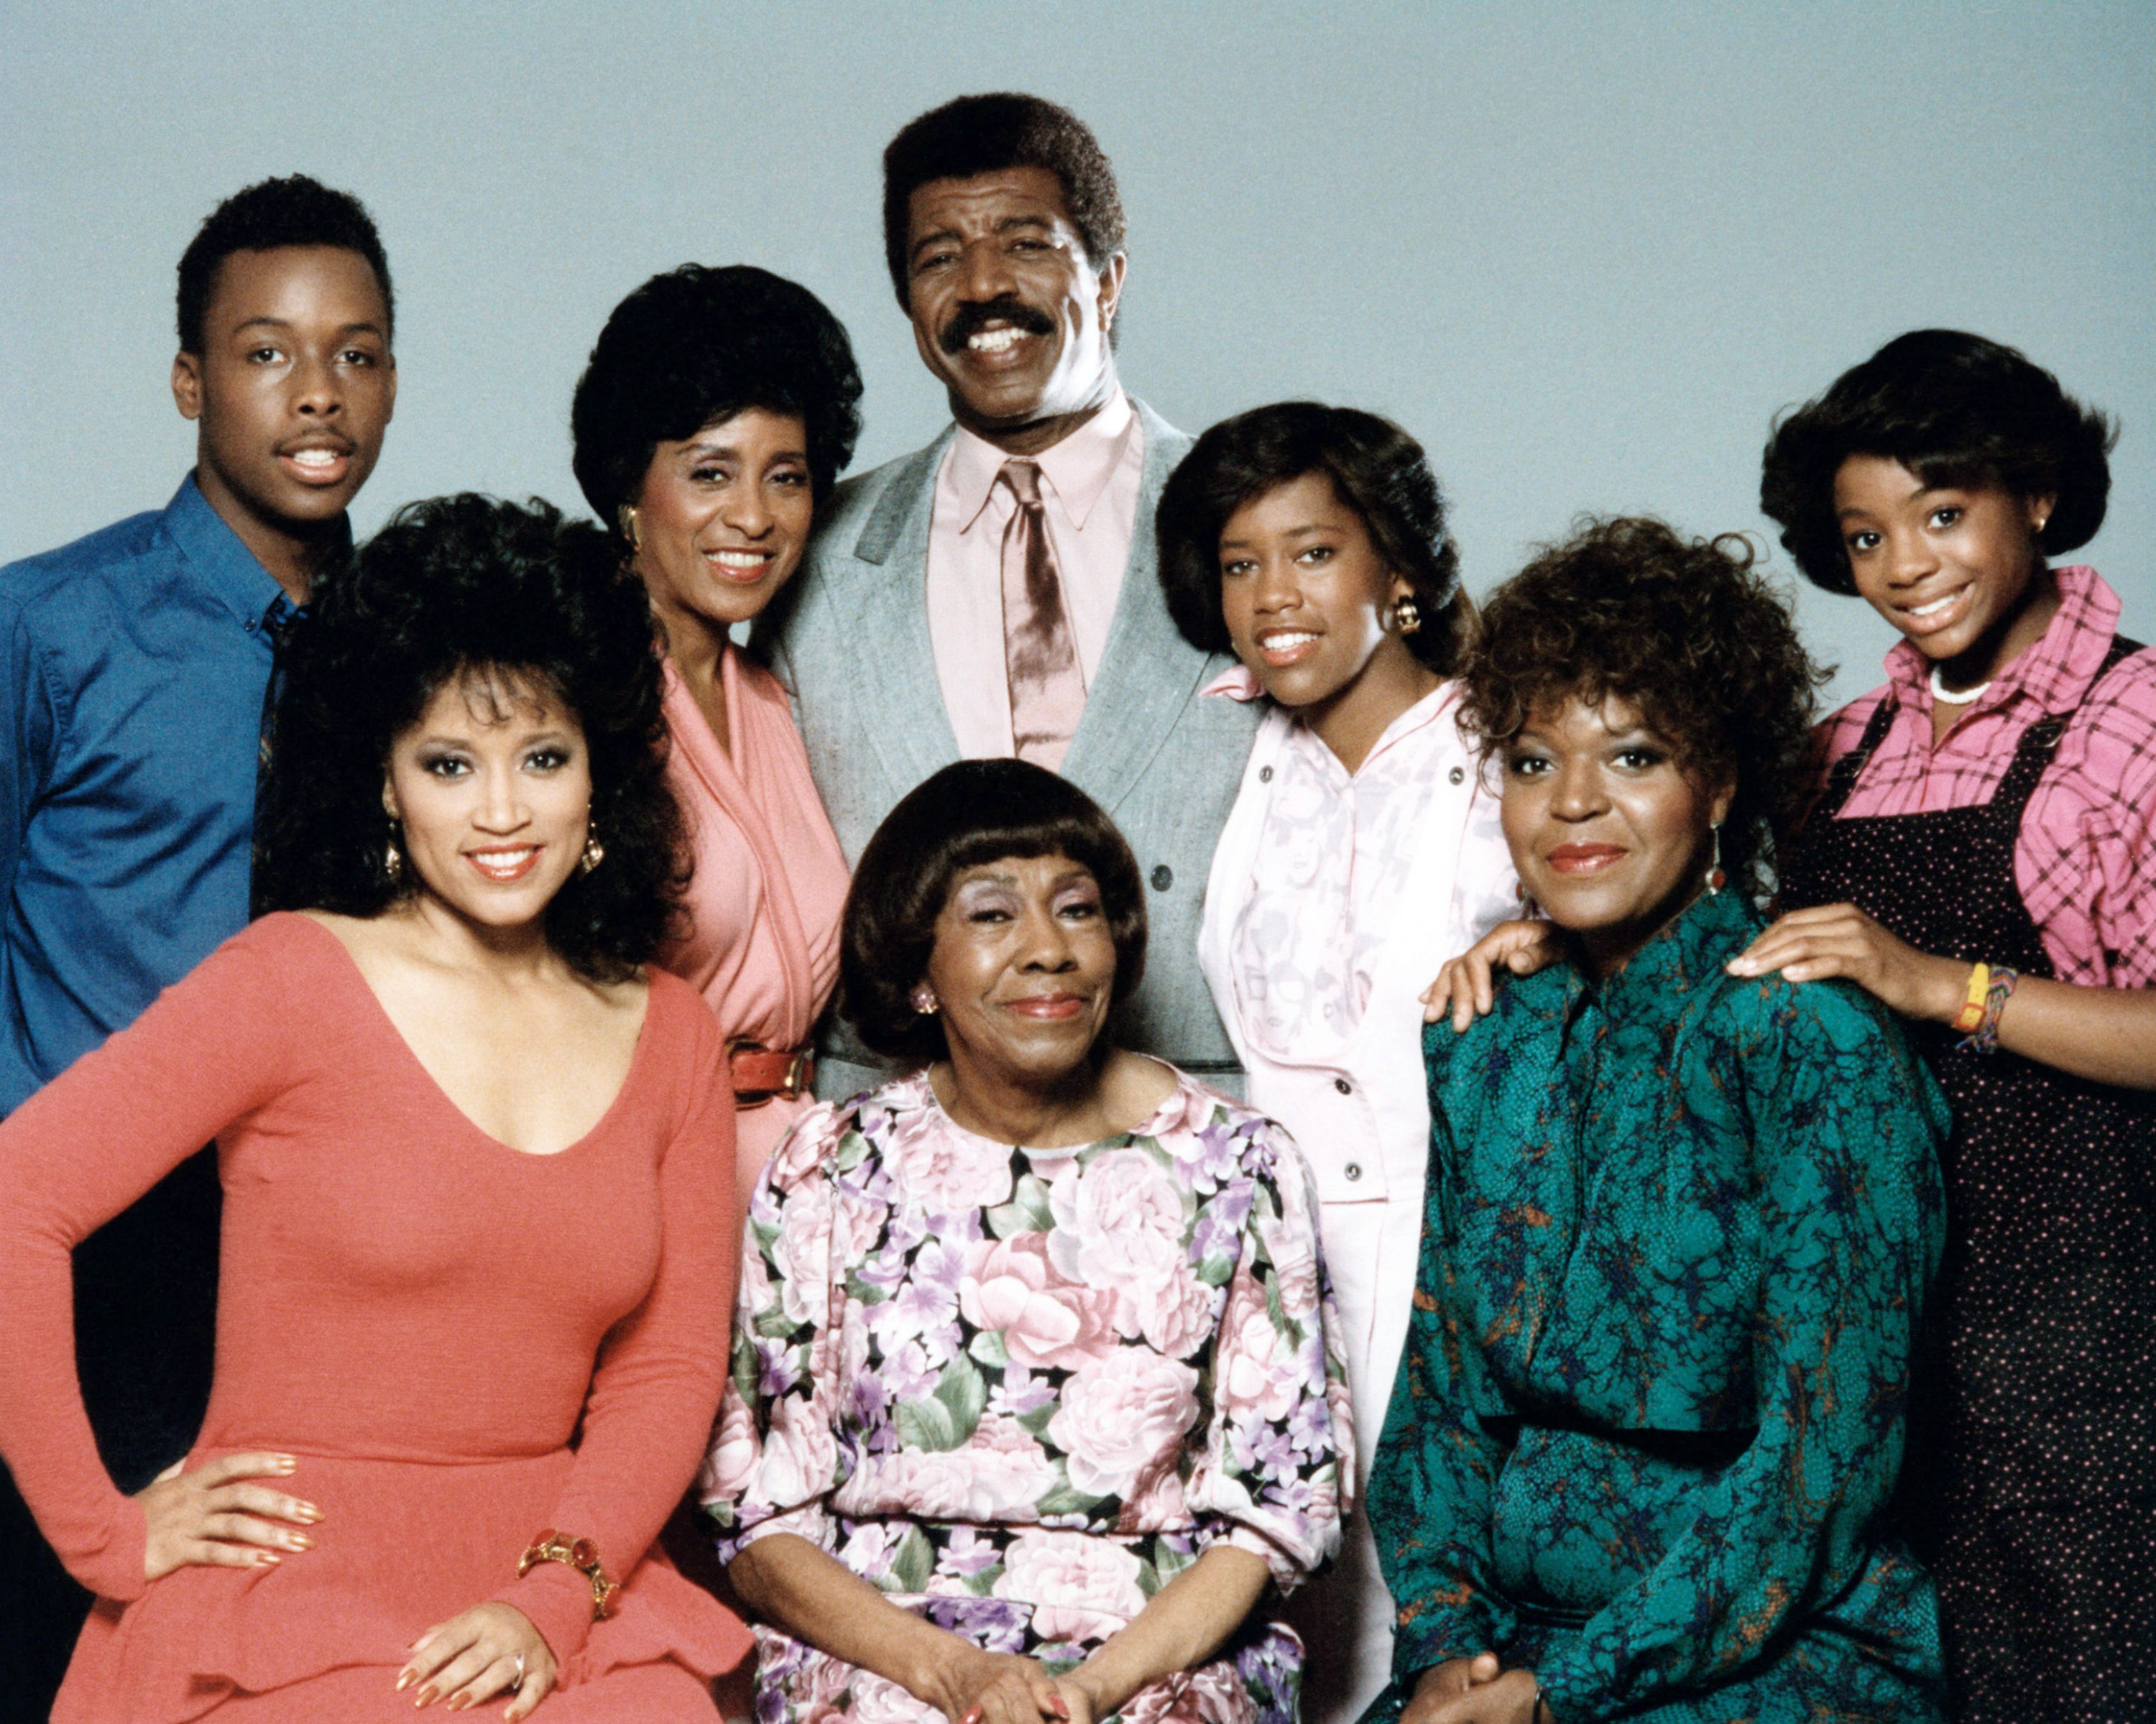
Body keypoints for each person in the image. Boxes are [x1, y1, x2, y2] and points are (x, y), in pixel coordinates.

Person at [0, 496, 750, 1720]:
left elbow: (665, 1373)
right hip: (290, 1590)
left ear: (600, 775)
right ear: (387, 787)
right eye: (449, 764)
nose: (501, 813)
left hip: (552, 1582)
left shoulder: (673, 1033)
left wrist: (553, 1601)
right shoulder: (289, 980)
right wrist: (101, 1533)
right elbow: (16, 1197)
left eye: (543, 758)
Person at [1375, 520, 1948, 1724]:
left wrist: (1559, 1694)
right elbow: (1437, 1400)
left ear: (1720, 785)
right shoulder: (1490, 1034)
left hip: (1776, 1645)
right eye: (1532, 762)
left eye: (1633, 757)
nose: (1573, 803)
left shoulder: (1807, 1036)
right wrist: (1442, 1648)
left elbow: (1823, 1467)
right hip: (1506, 1647)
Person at [702, 760, 1353, 1724]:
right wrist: (953, 1678)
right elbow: (760, 1525)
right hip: (886, 1651)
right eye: (993, 914)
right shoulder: (828, 1166)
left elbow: (1275, 1514)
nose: (1049, 950)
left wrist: (1091, 1693)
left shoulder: (1242, 1165)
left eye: (1078, 910)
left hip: (1155, 1655)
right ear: (919, 968)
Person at [0, 172, 397, 1705]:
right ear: (190, 380)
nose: (319, 394)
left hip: (322, 1250)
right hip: (89, 1249)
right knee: (61, 1657)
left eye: (357, 354)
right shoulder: (51, 627)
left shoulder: (406, 647)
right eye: (267, 352)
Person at [1741, 329, 2156, 1721]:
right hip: (1877, 1317)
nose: (1905, 565)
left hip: (2092, 1325)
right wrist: (1541, 936)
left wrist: (1947, 986)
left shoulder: (2136, 721)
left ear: (2036, 494)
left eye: (1941, 514)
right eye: (1866, 536)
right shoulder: (1842, 746)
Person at [757, 92, 1258, 1103]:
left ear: (1107, 280)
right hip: (894, 1135)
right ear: (907, 302)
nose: (983, 286)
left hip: (1203, 1122)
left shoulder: (1256, 516)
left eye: (1026, 245)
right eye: (939, 257)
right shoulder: (820, 552)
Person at [1154, 402, 1516, 1724]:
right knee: (1282, 1617)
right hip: (1269, 1264)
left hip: (1473, 1244)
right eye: (1239, 564)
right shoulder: (1221, 748)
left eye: (1312, 553)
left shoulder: (1512, 745)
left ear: (1399, 571)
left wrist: (1551, 939)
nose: (1273, 596)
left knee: (1453, 1622)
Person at [571, 263, 861, 1199]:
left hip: (796, 1191)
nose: (753, 517)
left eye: (787, 478)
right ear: (629, 486)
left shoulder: (773, 703)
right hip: (640, 1176)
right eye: (710, 474)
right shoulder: (577, 702)